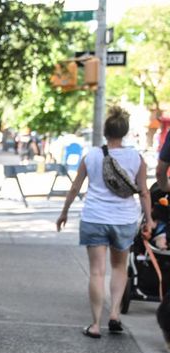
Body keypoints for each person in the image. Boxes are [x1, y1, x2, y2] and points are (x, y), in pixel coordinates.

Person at [56, 106, 154, 338]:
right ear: (125, 132)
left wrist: (64, 212)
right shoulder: (136, 158)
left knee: (97, 272)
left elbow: (75, 187)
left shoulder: (91, 156)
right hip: (124, 220)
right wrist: (149, 219)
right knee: (119, 268)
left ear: (105, 131)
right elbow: (144, 192)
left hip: (95, 218)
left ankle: (96, 324)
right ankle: (115, 315)